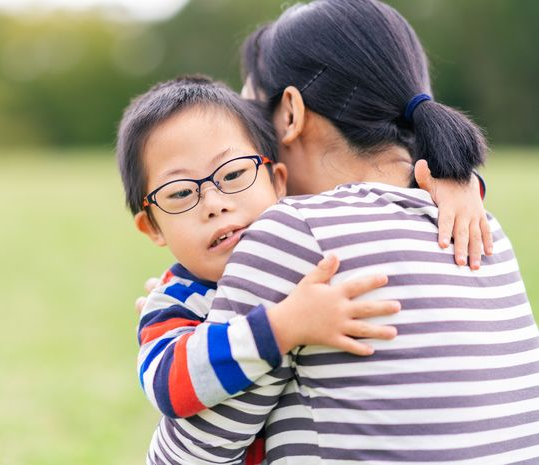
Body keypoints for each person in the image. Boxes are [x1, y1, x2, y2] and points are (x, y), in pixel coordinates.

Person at [187, 0, 538, 463]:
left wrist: (170, 330)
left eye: (252, 118)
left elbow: (191, 455)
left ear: (289, 112)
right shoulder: (481, 227)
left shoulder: (294, 232)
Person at [118, 75, 491, 464]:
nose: (213, 203)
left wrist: (458, 185)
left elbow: (387, 203)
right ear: (152, 227)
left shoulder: (306, 241)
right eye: (179, 193)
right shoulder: (174, 302)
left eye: (232, 175)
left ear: (280, 182)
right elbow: (168, 383)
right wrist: (281, 327)